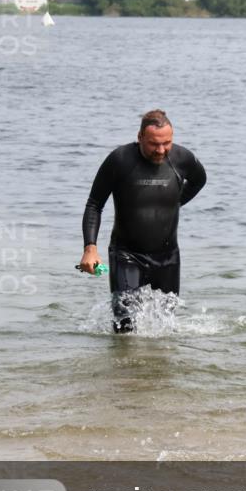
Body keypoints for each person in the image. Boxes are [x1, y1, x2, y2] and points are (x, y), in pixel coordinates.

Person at [80, 110, 207, 333]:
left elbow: (199, 180)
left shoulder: (182, 158)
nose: (161, 150)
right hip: (127, 255)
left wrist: (174, 203)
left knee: (165, 327)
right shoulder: (120, 160)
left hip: (168, 258)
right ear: (140, 137)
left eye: (167, 143)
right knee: (125, 327)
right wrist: (90, 248)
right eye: (153, 144)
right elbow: (94, 204)